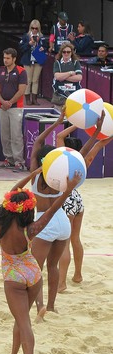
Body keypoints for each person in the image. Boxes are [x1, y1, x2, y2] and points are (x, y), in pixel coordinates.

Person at [0, 171, 80, 354]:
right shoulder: (30, 228)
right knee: (22, 320)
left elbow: (12, 192)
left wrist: (33, 174)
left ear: (9, 206)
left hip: (13, 276)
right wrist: (68, 189)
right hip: (32, 272)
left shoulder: (1, 223)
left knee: (23, 321)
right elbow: (53, 209)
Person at [24, 108, 82, 321]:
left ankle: (38, 306)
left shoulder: (36, 174)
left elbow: (37, 142)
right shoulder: (59, 175)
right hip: (62, 223)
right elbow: (76, 155)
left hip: (44, 222)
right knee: (53, 266)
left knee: (36, 268)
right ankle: (51, 306)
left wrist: (58, 122)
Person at [56, 117, 113, 292]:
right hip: (78, 199)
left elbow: (59, 135)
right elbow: (101, 143)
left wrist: (77, 123)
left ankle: (62, 283)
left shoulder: (62, 159)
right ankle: (78, 275)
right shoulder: (83, 160)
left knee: (64, 243)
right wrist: (109, 130)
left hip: (65, 198)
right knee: (76, 239)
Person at [0, 48, 28, 172]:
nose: (5, 60)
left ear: (14, 59)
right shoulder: (0, 70)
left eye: (8, 58)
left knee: (16, 135)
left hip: (16, 108)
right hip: (2, 107)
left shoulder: (21, 71)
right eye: (4, 58)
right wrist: (3, 102)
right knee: (5, 135)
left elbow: (21, 90)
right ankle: (9, 159)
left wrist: (10, 102)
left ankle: (19, 162)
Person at [19, 20, 48, 106]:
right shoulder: (26, 36)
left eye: (36, 28)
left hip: (38, 60)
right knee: (28, 80)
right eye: (33, 28)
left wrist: (42, 47)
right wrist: (29, 44)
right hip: (28, 60)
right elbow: (21, 48)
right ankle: (27, 99)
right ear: (30, 28)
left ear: (39, 29)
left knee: (35, 80)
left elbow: (45, 46)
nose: (34, 30)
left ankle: (34, 99)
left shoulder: (42, 37)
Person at [52, 42, 82, 107]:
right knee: (59, 115)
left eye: (68, 52)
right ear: (61, 53)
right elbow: (57, 76)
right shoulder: (57, 63)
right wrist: (70, 73)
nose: (66, 53)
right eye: (64, 52)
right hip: (59, 95)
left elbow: (79, 78)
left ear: (71, 53)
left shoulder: (76, 63)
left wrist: (63, 77)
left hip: (74, 95)